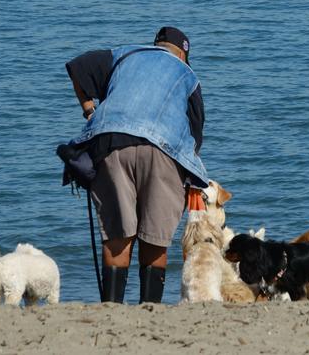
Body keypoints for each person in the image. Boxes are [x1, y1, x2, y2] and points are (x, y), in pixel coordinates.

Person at [65, 27, 208, 303]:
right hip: (163, 150)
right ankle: (149, 311)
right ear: (182, 54)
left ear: (156, 45)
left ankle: (112, 310)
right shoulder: (187, 75)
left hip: (110, 141)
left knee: (117, 237)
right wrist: (189, 179)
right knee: (155, 240)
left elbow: (77, 68)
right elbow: (194, 135)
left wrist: (89, 111)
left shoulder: (124, 55)